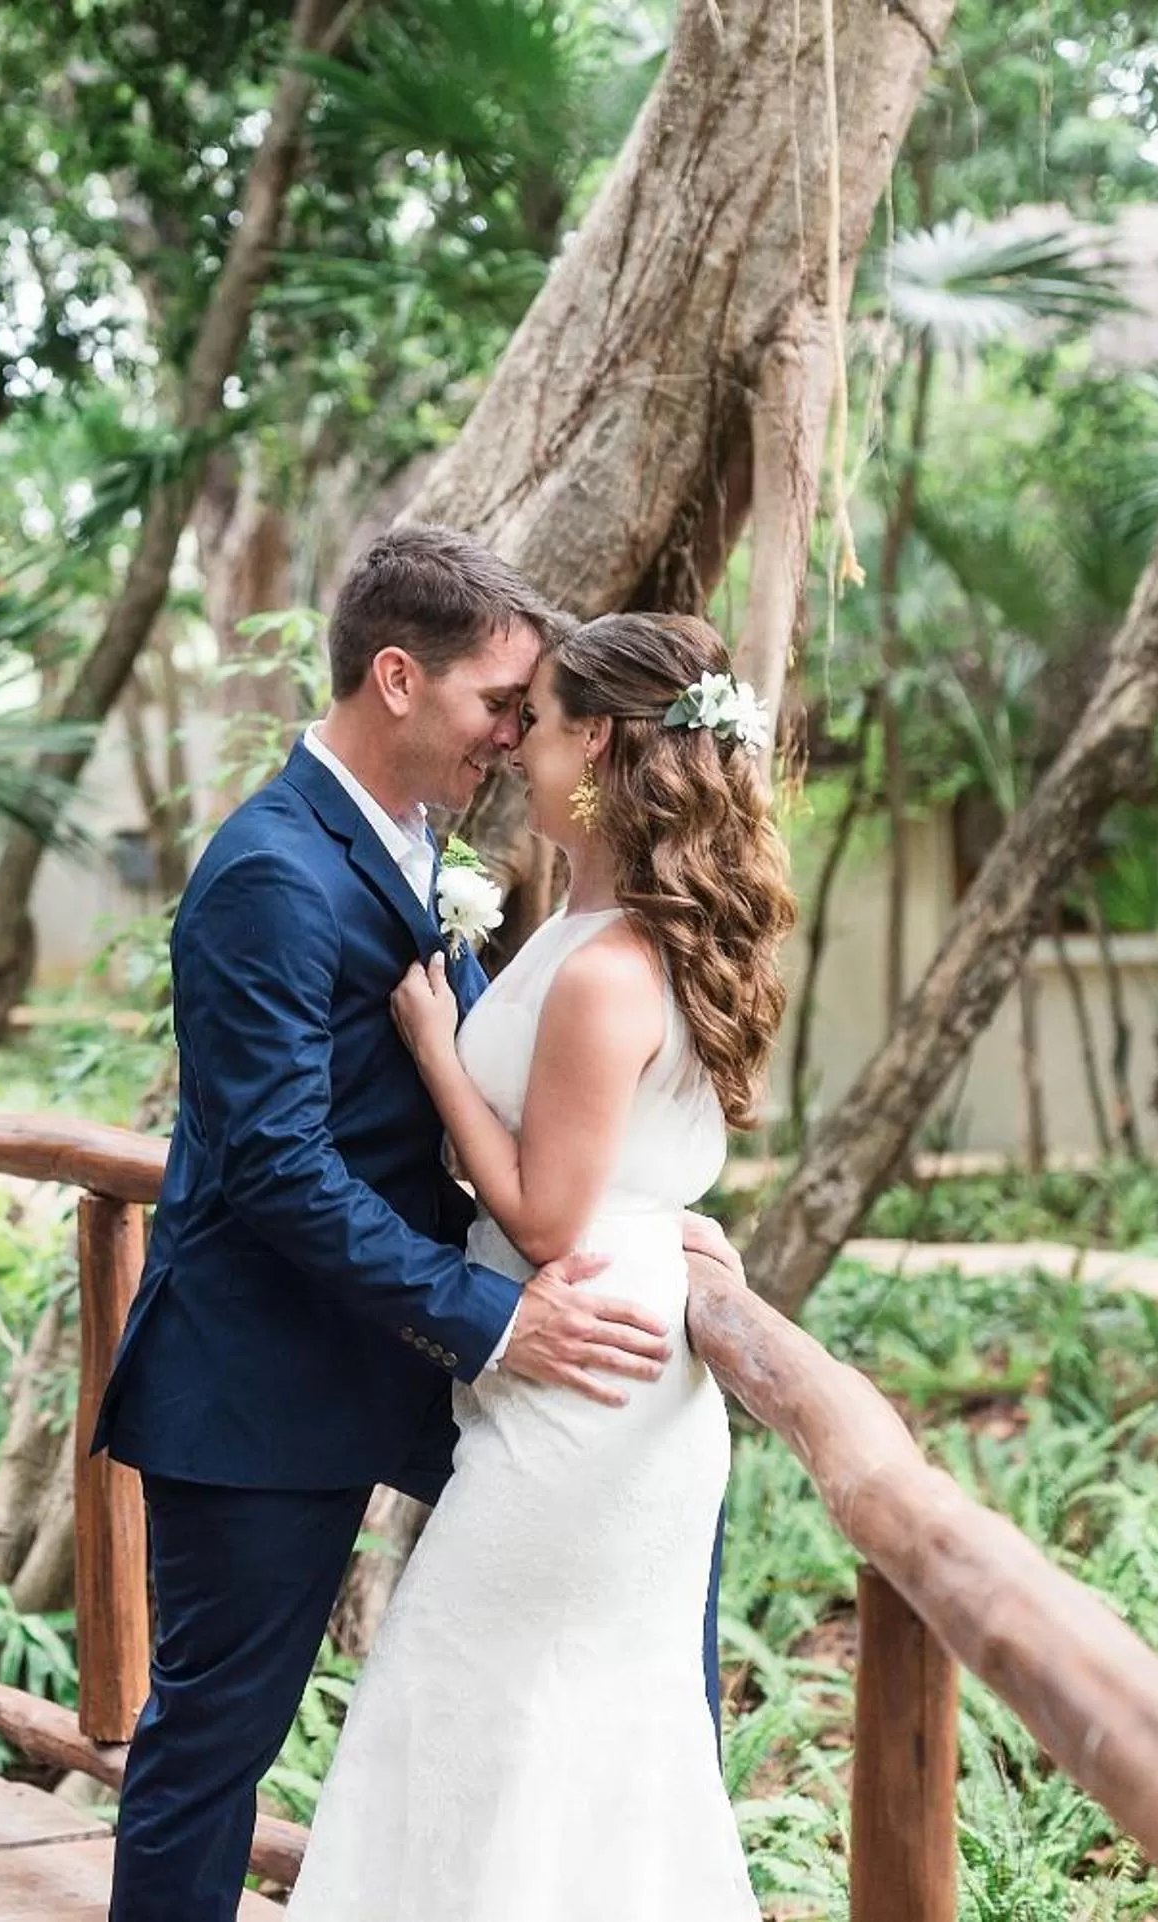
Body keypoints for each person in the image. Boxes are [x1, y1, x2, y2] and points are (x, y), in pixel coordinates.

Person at [91, 529, 742, 1922]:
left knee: (625, 1612)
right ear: (397, 676)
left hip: (412, 1363)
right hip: (264, 1382)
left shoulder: (418, 843)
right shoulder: (269, 869)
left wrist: (652, 1223)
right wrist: (499, 1312)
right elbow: (273, 1163)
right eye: (495, 704)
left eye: (532, 714)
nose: (514, 738)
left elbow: (498, 1108)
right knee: (213, 1745)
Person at [283, 609, 795, 1919]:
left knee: (476, 1692)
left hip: (587, 1388)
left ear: (606, 745)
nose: (517, 746)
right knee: (531, 1720)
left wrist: (437, 1043)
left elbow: (551, 1214)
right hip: (585, 1351)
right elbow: (611, 1169)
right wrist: (659, 1212)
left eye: (546, 722)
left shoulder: (609, 967)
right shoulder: (590, 921)